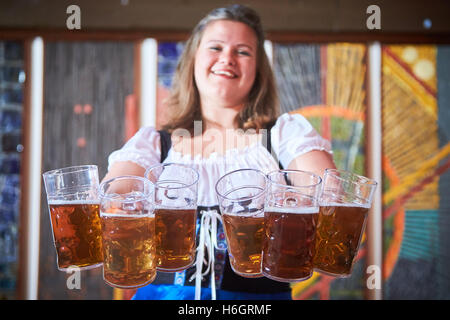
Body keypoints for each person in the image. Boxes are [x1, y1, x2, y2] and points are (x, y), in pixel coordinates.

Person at [103, 4, 336, 300]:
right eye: (215, 47)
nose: (227, 58)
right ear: (193, 60)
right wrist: (123, 206)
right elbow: (118, 191)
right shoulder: (153, 143)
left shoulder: (284, 134)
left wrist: (305, 199)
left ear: (258, 69)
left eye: (243, 51)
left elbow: (326, 188)